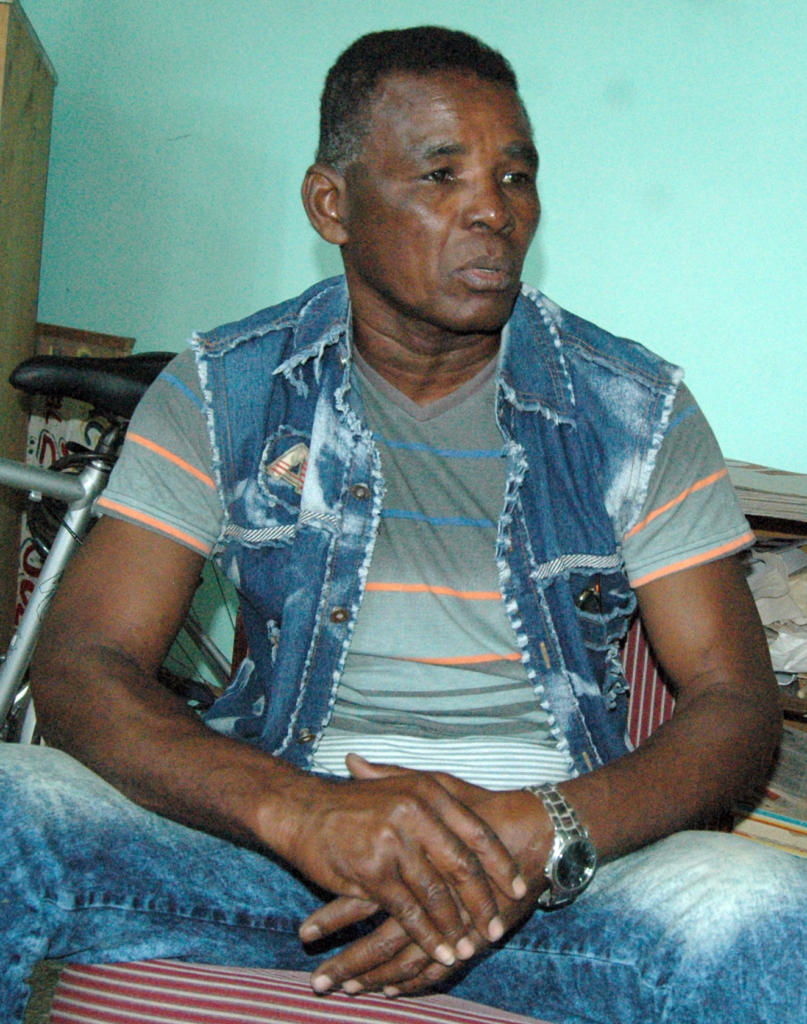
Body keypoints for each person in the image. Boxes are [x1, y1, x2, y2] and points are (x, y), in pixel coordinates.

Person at [2, 25, 805, 1024]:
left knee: (770, 911)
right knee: (9, 802)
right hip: (282, 871)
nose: (493, 212)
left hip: (563, 896)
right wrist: (300, 810)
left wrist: (545, 829)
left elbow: (735, 707)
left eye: (517, 177)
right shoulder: (226, 389)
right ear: (331, 205)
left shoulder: (633, 409)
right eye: (441, 174)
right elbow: (80, 660)